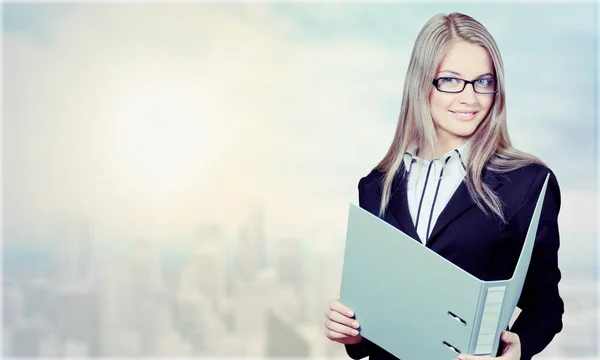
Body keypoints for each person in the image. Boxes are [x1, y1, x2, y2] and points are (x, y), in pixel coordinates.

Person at [324, 12, 564, 360]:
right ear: (422, 84)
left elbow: (545, 305)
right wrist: (351, 333)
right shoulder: (376, 187)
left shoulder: (526, 183)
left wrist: (519, 349)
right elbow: (377, 314)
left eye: (483, 81)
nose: (470, 98)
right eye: (451, 80)